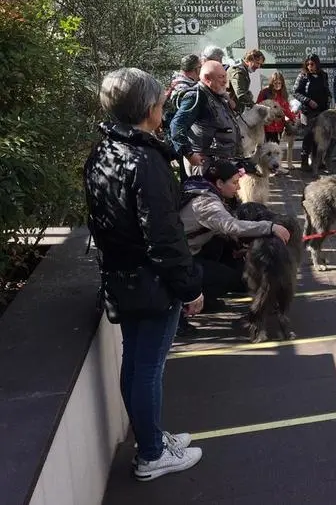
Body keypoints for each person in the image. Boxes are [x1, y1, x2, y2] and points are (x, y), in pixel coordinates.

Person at [83, 67, 203, 481]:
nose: (164, 106)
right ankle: (152, 453)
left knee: (135, 364)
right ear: (147, 108)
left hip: (122, 277)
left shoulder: (104, 150)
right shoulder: (145, 161)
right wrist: (189, 290)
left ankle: (152, 439)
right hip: (151, 282)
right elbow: (165, 236)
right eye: (159, 101)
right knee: (147, 368)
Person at [179, 160, 291, 309]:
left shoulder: (202, 190)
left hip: (189, 249)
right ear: (219, 183)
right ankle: (192, 302)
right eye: (234, 183)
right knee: (232, 279)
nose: (238, 187)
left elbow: (219, 227)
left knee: (223, 247)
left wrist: (238, 245)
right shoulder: (205, 203)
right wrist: (270, 227)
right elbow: (231, 225)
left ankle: (204, 293)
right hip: (180, 260)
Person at [170, 60, 243, 176]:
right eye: (221, 77)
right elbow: (177, 125)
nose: (225, 81)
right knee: (207, 194)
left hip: (220, 163)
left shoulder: (216, 95)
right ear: (207, 78)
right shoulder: (197, 96)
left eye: (225, 77)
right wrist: (189, 154)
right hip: (205, 165)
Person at [291, 55, 331, 169]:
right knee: (308, 136)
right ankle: (304, 161)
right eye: (308, 64)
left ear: (317, 64)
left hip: (322, 110)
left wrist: (329, 98)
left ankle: (317, 160)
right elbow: (295, 92)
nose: (310, 66)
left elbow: (326, 89)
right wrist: (307, 100)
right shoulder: (303, 76)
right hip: (308, 111)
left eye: (312, 64)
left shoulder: (323, 75)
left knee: (319, 136)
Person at [257, 70, 296, 144]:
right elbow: (258, 106)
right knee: (268, 147)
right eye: (275, 83)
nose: (277, 85)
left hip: (279, 126)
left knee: (276, 146)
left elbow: (286, 109)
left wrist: (293, 118)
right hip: (267, 126)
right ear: (272, 83)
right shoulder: (265, 92)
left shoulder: (283, 94)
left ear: (282, 83)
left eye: (279, 83)